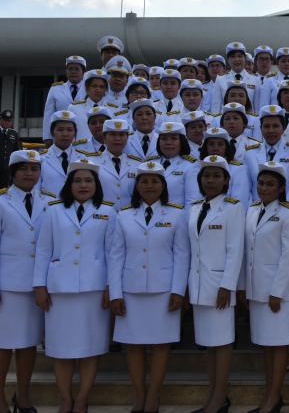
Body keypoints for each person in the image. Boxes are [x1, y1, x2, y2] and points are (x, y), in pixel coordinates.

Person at [33, 158, 116, 413]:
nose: (83, 185)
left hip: (94, 290)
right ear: (69, 184)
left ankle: (82, 399)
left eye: (88, 180)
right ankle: (65, 398)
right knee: (61, 349)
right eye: (77, 180)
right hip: (60, 290)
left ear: (96, 184)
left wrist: (111, 287)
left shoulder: (108, 211)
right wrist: (39, 285)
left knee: (91, 348)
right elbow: (43, 250)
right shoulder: (53, 210)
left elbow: (112, 254)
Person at [108, 161, 189, 413]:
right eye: (144, 181)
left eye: (155, 181)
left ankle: (153, 396)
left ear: (163, 185)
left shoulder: (177, 214)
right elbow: (116, 256)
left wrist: (178, 290)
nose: (149, 186)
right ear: (137, 186)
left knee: (161, 345)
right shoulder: (123, 215)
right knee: (132, 345)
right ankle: (139, 396)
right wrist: (115, 293)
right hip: (130, 290)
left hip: (164, 290)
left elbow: (182, 255)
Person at [241, 162, 289, 413]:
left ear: (281, 188)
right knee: (265, 344)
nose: (264, 188)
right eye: (261, 183)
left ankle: (274, 397)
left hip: (277, 292)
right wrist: (246, 288)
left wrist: (277, 291)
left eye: (270, 184)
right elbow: (248, 252)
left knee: (278, 344)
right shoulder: (252, 210)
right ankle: (270, 394)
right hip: (256, 290)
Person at [187, 155, 245, 413]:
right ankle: (213, 394)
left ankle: (219, 397)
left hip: (219, 286)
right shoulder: (195, 207)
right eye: (206, 176)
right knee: (208, 344)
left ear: (226, 181)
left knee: (222, 344)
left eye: (216, 176)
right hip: (199, 285)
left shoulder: (233, 208)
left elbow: (235, 250)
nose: (210, 180)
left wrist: (227, 286)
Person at [0, 150, 52, 413]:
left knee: (29, 344)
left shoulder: (49, 202)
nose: (29, 174)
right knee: (3, 344)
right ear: (13, 172)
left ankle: (23, 395)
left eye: (34, 169)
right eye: (23, 168)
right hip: (7, 285)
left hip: (37, 284)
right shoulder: (2, 201)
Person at [43, 55, 87, 146]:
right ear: (66, 71)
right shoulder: (56, 89)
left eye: (77, 69)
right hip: (62, 134)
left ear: (83, 72)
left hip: (84, 134)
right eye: (70, 69)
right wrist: (47, 137)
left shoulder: (89, 89)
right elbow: (48, 114)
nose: (73, 72)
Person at [40, 110, 79, 197]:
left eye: (69, 130)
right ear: (52, 132)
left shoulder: (84, 159)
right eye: (60, 129)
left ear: (75, 133)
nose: (65, 134)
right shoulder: (40, 160)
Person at [0, 110, 21, 188]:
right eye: (5, 120)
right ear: (1, 120)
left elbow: (17, 152)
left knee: (5, 191)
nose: (7, 123)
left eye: (9, 121)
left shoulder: (14, 134)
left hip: (7, 170)